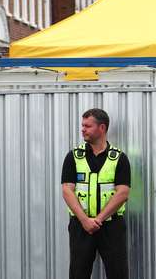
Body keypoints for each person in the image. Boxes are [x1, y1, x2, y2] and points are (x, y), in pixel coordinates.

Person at [61, 108, 131, 279]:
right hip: (81, 226)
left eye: (88, 126)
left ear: (102, 128)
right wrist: (85, 221)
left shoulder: (119, 158)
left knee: (118, 273)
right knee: (78, 273)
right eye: (82, 125)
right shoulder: (73, 157)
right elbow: (67, 190)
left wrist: (98, 220)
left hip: (111, 226)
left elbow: (123, 193)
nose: (83, 129)